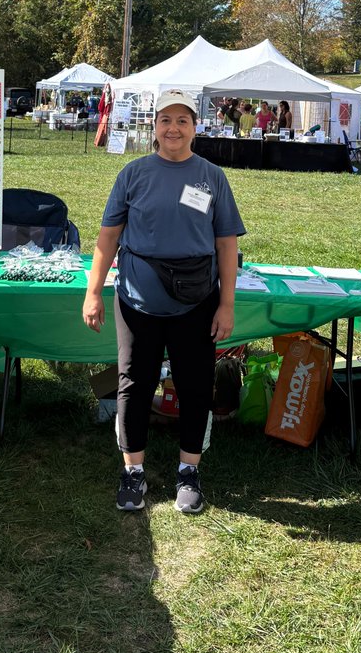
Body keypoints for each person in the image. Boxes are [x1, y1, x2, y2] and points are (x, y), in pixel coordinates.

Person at [82, 90, 245, 515]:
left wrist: (226, 304)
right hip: (136, 302)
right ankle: (132, 472)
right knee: (133, 386)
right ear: (154, 126)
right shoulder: (133, 174)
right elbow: (108, 238)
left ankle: (188, 473)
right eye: (165, 120)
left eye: (182, 120)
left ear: (195, 126)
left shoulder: (212, 177)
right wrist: (93, 292)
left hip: (197, 304)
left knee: (195, 387)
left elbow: (226, 245)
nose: (173, 128)